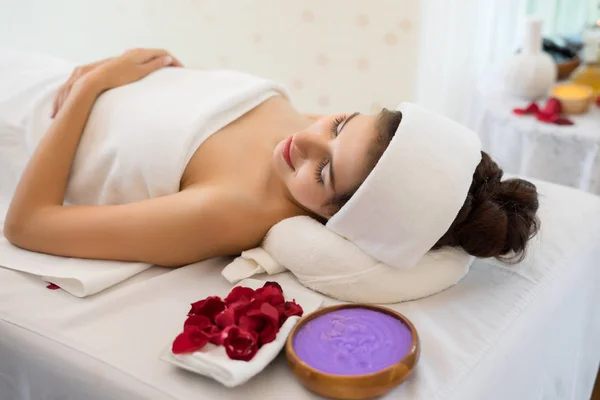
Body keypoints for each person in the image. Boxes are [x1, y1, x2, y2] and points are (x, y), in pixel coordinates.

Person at [3, 48, 539, 268]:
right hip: (45, 70)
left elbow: (27, 225)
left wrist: (94, 86)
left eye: (322, 170)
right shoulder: (298, 120)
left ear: (338, 217)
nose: (303, 141)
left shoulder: (232, 210)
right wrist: (126, 67)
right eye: (339, 124)